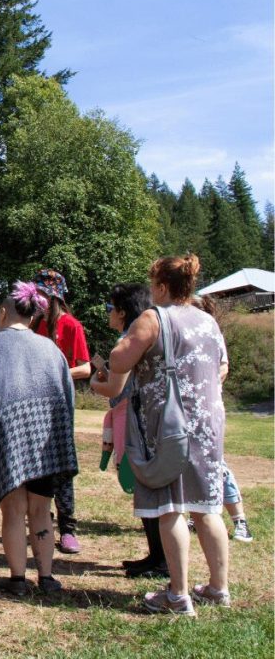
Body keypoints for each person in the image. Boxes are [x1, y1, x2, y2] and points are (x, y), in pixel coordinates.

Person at [103, 254, 230, 616]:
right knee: (207, 507)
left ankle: (177, 595)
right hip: (208, 423)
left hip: (168, 425)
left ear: (160, 286)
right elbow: (222, 367)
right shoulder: (207, 320)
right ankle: (218, 588)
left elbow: (119, 361)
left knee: (170, 506)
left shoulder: (153, 318)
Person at [0, 282, 78, 595]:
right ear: (33, 317)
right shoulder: (50, 349)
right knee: (41, 510)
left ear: (2, 314)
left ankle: (18, 579)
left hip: (6, 437)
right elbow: (67, 394)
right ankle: (46, 577)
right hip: (46, 440)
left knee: (13, 511)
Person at [90, 283, 165, 578]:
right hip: (142, 418)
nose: (108, 313)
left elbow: (114, 388)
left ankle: (160, 561)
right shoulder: (147, 336)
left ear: (122, 312)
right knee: (145, 487)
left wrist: (95, 383)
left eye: (110, 308)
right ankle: (156, 556)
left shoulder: (127, 341)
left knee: (144, 486)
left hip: (133, 420)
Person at [185, 295, 254, 544]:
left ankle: (240, 520)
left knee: (217, 467)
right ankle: (197, 513)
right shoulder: (186, 335)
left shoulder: (212, 334)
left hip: (206, 411)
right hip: (187, 411)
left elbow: (223, 368)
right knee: (191, 465)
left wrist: (203, 386)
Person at [31, 268, 90, 555]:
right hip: (34, 403)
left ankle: (68, 528)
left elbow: (85, 368)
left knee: (63, 466)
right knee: (36, 464)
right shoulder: (34, 325)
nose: (36, 299)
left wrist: (55, 371)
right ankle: (43, 520)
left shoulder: (71, 326)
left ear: (53, 297)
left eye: (40, 294)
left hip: (60, 404)